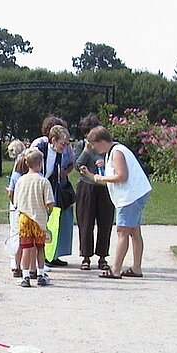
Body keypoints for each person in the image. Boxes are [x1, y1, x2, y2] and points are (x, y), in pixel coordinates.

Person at [78, 126, 152, 279]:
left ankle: (116, 269)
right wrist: (91, 175)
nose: (93, 147)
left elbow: (121, 176)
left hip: (130, 197)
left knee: (122, 232)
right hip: (135, 194)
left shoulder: (117, 152)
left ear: (101, 141)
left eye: (93, 144)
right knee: (134, 231)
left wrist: (102, 178)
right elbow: (110, 180)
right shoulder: (113, 152)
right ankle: (136, 268)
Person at [74, 114, 115, 271]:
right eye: (87, 134)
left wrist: (103, 163)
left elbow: (113, 163)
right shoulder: (81, 145)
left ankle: (102, 256)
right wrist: (85, 151)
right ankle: (85, 256)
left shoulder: (105, 146)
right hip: (87, 186)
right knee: (86, 223)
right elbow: (78, 165)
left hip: (105, 186)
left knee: (105, 222)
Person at [12, 148, 54, 287]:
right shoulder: (43, 181)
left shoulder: (20, 181)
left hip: (24, 218)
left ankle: (25, 277)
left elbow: (16, 201)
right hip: (39, 219)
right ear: (40, 163)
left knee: (26, 247)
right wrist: (49, 212)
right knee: (39, 248)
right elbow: (50, 202)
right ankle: (40, 274)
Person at [35, 123, 74, 268]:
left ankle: (48, 257)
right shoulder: (40, 151)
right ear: (53, 140)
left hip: (47, 192)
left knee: (47, 225)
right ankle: (36, 261)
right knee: (37, 225)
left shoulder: (58, 154)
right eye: (63, 144)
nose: (65, 147)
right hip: (36, 192)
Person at [6, 148, 29, 277]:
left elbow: (10, 192)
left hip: (17, 207)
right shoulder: (25, 176)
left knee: (17, 235)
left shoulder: (15, 175)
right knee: (22, 236)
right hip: (24, 208)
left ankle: (16, 265)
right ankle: (23, 265)